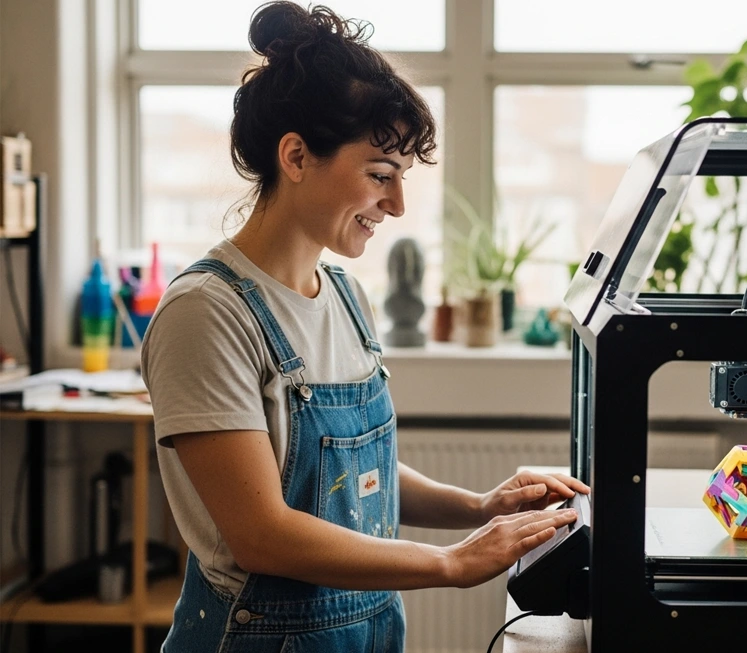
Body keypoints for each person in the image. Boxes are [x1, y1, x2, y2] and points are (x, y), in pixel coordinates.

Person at [140, 2, 589, 651]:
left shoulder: (347, 297)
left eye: (402, 178)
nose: (398, 204)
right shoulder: (206, 313)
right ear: (295, 156)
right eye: (380, 175)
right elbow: (261, 532)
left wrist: (478, 505)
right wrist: (449, 561)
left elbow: (356, 478)